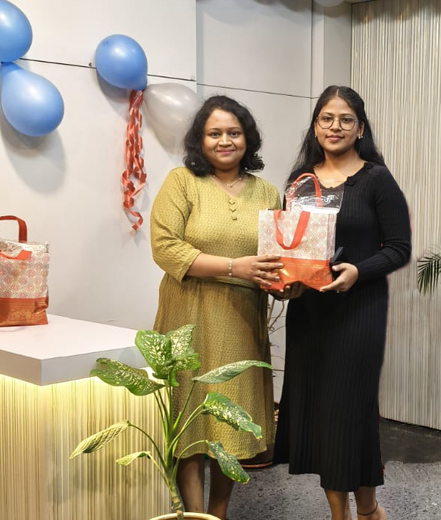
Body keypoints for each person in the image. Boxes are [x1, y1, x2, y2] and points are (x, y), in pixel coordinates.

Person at [273, 85, 412, 520]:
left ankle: (365, 509)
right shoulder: (299, 183)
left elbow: (399, 248)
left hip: (359, 312)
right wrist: (284, 284)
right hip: (310, 314)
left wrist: (358, 271)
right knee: (319, 412)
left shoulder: (376, 179)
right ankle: (347, 514)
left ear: (360, 128)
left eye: (346, 119)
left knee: (349, 412)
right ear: (315, 126)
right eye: (327, 118)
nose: (336, 127)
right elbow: (287, 248)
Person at [150, 95, 282, 519]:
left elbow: (277, 257)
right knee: (189, 418)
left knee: (229, 422)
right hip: (186, 317)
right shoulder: (182, 182)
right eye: (214, 133)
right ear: (200, 140)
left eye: (233, 132)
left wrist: (289, 283)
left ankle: (218, 513)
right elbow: (165, 248)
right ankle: (194, 515)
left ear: (247, 138)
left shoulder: (268, 192)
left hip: (240, 323)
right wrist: (234, 267)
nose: (225, 141)